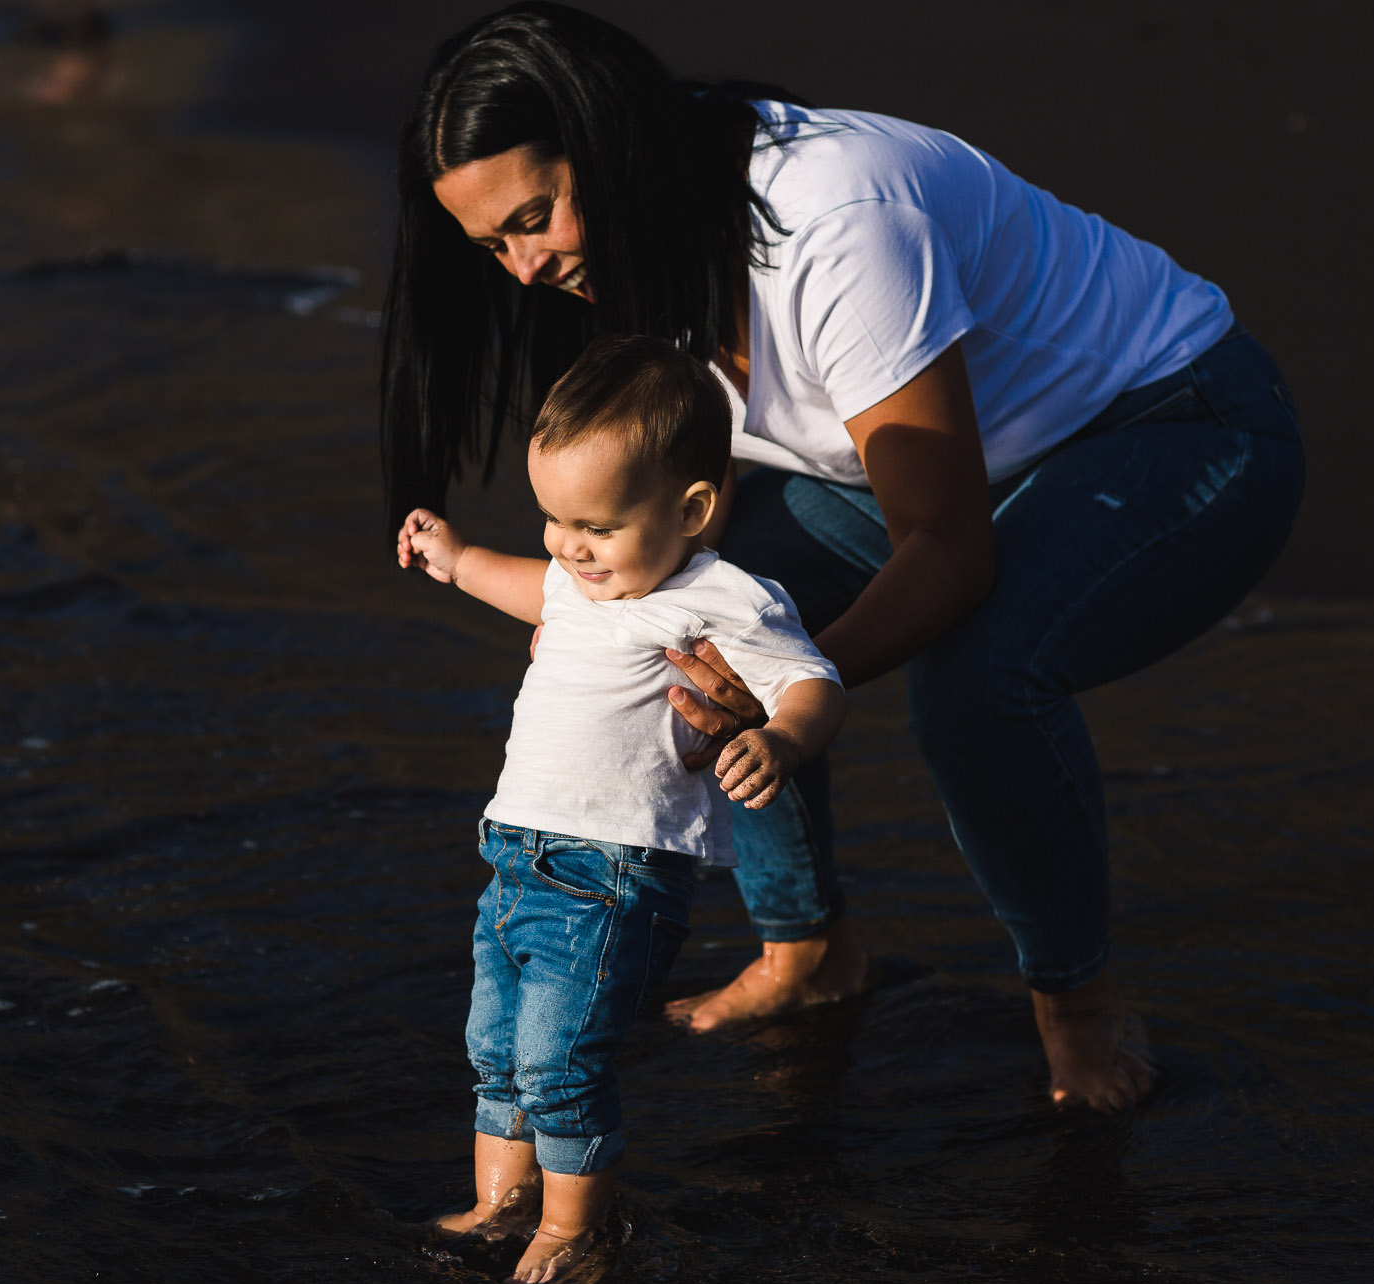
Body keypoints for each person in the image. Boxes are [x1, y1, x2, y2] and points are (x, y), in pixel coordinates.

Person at [381, 4, 1305, 1110]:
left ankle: (1075, 1001)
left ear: (611, 141)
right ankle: (809, 953)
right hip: (923, 468)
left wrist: (786, 689)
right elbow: (670, 515)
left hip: (1168, 423)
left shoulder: (832, 220)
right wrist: (608, 617)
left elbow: (947, 549)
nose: (524, 268)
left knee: (977, 680)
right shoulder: (622, 246)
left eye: (535, 217)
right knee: (702, 621)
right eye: (493, 246)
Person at [396, 334, 846, 1284]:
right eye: (554, 518)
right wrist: (457, 555)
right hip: (515, 859)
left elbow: (811, 677)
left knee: (561, 1062)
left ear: (692, 509)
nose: (569, 546)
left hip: (615, 874)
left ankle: (575, 1229)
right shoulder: (582, 575)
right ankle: (499, 1201)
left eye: (595, 525)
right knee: (495, 1051)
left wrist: (783, 737)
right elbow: (534, 587)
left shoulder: (716, 595)